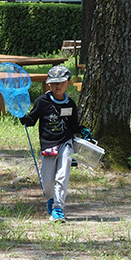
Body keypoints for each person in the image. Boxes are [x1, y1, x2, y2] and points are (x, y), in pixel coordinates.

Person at [19, 65, 84, 223]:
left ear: (68, 83)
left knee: (62, 176)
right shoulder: (42, 101)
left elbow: (74, 126)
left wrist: (83, 131)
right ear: (48, 84)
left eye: (61, 82)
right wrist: (23, 117)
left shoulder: (71, 104)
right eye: (54, 83)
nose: (57, 86)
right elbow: (32, 120)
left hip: (65, 143)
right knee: (47, 182)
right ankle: (51, 198)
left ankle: (58, 208)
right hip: (48, 146)